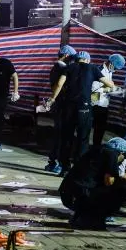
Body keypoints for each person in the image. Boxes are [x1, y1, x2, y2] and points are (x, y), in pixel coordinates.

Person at [47, 51, 113, 174]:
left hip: (69, 107)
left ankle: (64, 168)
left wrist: (52, 98)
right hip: (84, 107)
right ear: (88, 59)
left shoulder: (69, 67)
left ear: (77, 59)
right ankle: (78, 169)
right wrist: (105, 89)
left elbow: (60, 84)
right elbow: (110, 84)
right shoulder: (92, 68)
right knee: (83, 139)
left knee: (67, 138)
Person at [58, 139, 126, 230]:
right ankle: (92, 219)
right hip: (82, 195)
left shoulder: (96, 150)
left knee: (97, 187)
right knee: (122, 189)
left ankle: (81, 216)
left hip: (66, 192)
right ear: (122, 153)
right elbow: (109, 181)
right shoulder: (112, 154)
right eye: (124, 158)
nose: (121, 161)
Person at [45, 45, 77, 174]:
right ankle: (57, 162)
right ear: (66, 56)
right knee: (61, 135)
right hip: (62, 105)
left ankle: (53, 161)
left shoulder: (57, 67)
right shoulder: (61, 68)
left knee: (58, 134)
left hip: (59, 104)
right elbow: (58, 86)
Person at [91, 54, 126, 150]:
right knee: (97, 129)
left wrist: (118, 91)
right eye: (115, 68)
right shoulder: (100, 70)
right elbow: (93, 91)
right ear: (111, 63)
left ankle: (96, 147)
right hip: (96, 105)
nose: (116, 70)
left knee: (100, 130)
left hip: (103, 104)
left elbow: (106, 88)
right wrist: (107, 90)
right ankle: (94, 149)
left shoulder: (109, 71)